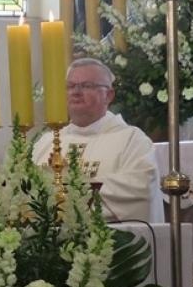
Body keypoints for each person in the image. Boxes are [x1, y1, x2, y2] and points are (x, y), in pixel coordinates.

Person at [32, 58, 159, 223]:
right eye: (70, 86)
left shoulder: (132, 141)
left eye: (86, 86)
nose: (76, 92)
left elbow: (139, 187)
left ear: (109, 95)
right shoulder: (47, 142)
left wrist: (68, 202)